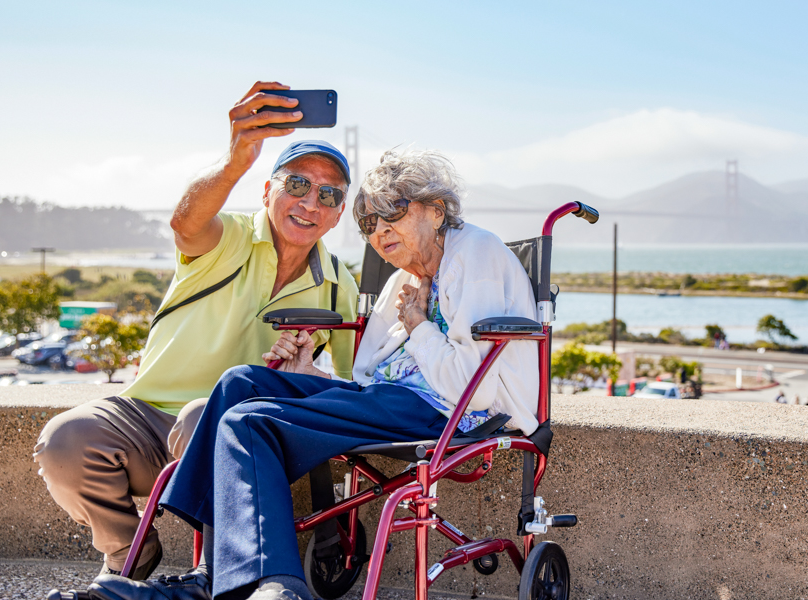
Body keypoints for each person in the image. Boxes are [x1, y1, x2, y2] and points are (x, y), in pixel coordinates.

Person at [78, 149, 538, 600]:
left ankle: (278, 586)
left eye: (390, 214)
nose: (379, 232)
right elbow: (364, 377)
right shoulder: (408, 279)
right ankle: (213, 573)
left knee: (247, 421)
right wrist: (308, 375)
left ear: (435, 211)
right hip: (397, 402)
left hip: (451, 412)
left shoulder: (474, 255)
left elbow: (468, 387)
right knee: (240, 382)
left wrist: (417, 326)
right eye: (368, 224)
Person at [38, 81, 358, 588]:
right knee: (64, 440)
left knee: (205, 415)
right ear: (267, 190)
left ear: (340, 212)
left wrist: (305, 374)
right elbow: (185, 222)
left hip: (242, 433)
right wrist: (236, 159)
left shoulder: (341, 284)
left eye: (328, 194)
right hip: (146, 416)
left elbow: (349, 381)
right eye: (296, 184)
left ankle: (217, 570)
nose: (310, 202)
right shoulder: (227, 235)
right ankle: (129, 551)